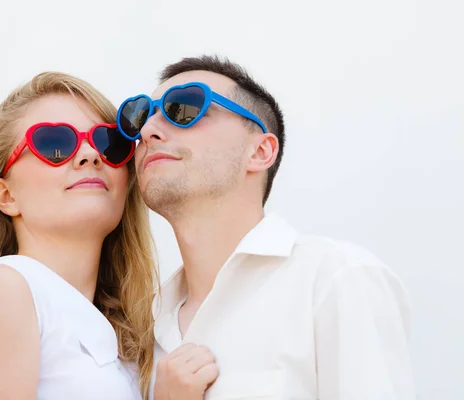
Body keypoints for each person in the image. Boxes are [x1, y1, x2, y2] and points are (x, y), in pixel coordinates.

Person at [117, 55, 416, 399]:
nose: (147, 131)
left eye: (183, 107)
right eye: (140, 116)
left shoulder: (334, 279)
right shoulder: (142, 327)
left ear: (260, 151)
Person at [0, 72, 157, 399]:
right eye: (55, 144)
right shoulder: (2, 288)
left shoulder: (131, 334)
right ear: (6, 195)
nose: (90, 155)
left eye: (110, 142)